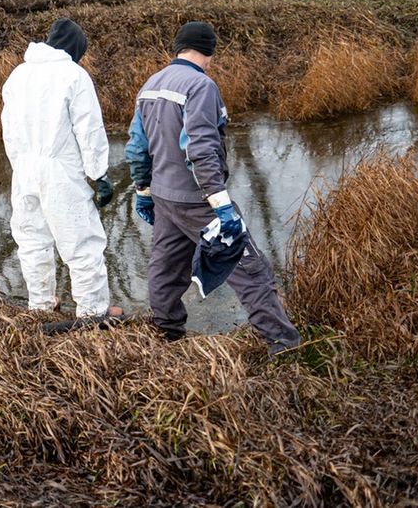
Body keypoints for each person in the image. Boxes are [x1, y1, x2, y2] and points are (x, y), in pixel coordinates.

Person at [126, 22, 302, 354]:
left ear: (177, 48)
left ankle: (166, 334)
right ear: (208, 51)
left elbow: (137, 147)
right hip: (199, 200)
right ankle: (284, 345)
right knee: (251, 269)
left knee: (166, 266)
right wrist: (220, 204)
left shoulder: (151, 85)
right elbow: (200, 148)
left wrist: (143, 190)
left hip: (164, 196)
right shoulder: (200, 86)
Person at [1, 19, 118, 318]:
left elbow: (9, 128)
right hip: (59, 172)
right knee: (82, 241)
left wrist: (19, 164)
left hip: (24, 169)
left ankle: (40, 305)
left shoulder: (18, 75)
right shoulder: (74, 76)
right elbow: (89, 130)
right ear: (75, 50)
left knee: (32, 239)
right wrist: (99, 174)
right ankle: (92, 311)